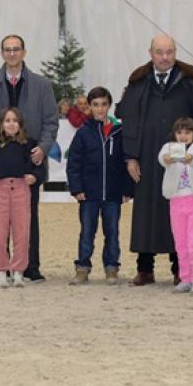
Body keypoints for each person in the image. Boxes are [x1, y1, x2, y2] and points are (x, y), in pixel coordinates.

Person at [116, 34, 193, 286]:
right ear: (151, 52)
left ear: (175, 52)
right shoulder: (139, 81)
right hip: (147, 157)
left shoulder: (191, 80)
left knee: (179, 213)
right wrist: (131, 157)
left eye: (169, 52)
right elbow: (129, 119)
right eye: (159, 52)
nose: (164, 57)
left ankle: (181, 270)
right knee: (146, 212)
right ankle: (144, 268)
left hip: (183, 160)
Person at [0, 34, 58, 282]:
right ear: (2, 53)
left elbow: (51, 122)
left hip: (29, 162)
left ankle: (29, 266)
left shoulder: (42, 85)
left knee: (28, 216)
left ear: (24, 52)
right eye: (7, 50)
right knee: (0, 220)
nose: (12, 54)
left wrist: (42, 148)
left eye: (16, 49)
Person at [65, 87, 134, 285]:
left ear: (109, 105)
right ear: (89, 107)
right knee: (87, 231)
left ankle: (111, 267)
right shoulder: (83, 133)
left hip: (113, 193)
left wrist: (127, 189)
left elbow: (127, 162)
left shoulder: (119, 132)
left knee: (112, 232)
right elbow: (74, 163)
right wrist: (77, 189)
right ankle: (82, 268)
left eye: (103, 104)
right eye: (95, 105)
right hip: (88, 194)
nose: (100, 109)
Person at [0, 108, 43, 288]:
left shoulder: (29, 144)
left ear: (20, 124)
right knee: (0, 232)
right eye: (7, 120)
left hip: (21, 189)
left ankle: (18, 271)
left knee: (22, 232)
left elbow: (38, 166)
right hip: (0, 189)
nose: (11, 124)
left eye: (15, 120)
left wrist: (35, 176)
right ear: (1, 123)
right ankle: (0, 271)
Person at [158, 117, 193, 294]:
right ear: (175, 134)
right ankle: (185, 279)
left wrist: (190, 157)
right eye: (179, 132)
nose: (183, 136)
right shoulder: (169, 147)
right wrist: (168, 159)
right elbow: (162, 158)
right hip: (175, 201)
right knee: (181, 243)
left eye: (187, 132)